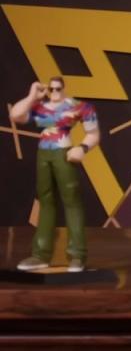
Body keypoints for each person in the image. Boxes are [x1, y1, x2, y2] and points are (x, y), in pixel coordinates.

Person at [9, 77, 99, 272]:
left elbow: (93, 134)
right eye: (52, 89)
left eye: (58, 88)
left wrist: (82, 148)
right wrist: (33, 95)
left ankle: (77, 255)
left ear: (64, 88)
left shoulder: (78, 106)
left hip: (64, 154)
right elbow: (15, 115)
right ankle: (40, 254)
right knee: (45, 201)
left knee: (72, 201)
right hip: (44, 154)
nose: (55, 92)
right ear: (48, 89)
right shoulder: (40, 108)